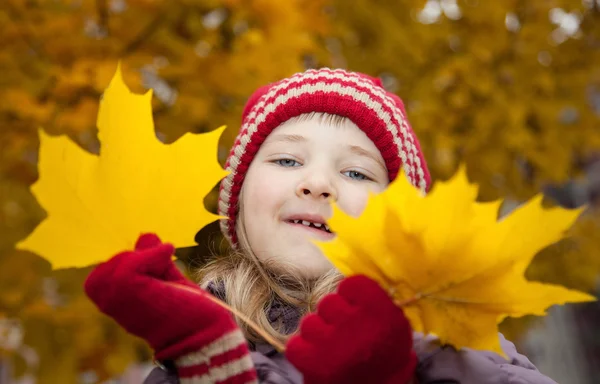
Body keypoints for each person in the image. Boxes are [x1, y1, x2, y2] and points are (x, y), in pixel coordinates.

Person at [84, 68, 558, 384]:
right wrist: (207, 358)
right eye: (288, 159)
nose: (317, 183)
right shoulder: (184, 356)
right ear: (239, 199)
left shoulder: (463, 349)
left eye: (355, 173)